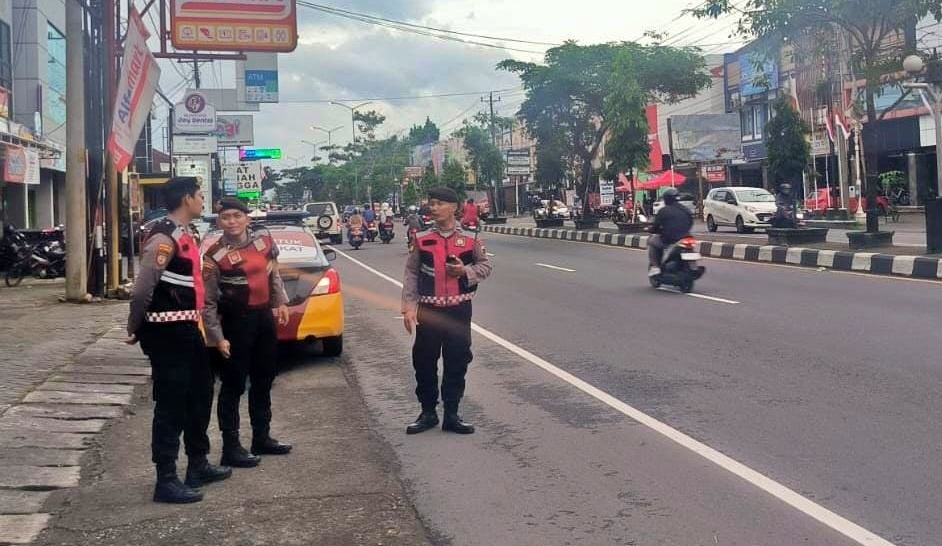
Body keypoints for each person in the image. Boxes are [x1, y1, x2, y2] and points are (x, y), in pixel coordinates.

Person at [126, 177, 231, 504]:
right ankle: (166, 479)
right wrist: (134, 326)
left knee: (200, 394)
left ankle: (197, 464)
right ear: (187, 199)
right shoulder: (163, 238)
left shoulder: (187, 235)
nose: (203, 201)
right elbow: (143, 288)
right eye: (200, 196)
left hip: (189, 329)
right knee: (171, 404)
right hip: (166, 332)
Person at [202, 197, 292, 469]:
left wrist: (281, 302)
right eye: (226, 217)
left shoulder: (263, 241)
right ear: (219, 222)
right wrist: (217, 337)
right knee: (233, 385)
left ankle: (261, 437)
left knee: (264, 378)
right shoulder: (214, 255)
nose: (231, 221)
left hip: (264, 317)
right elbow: (208, 302)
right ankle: (231, 447)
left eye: (236, 216)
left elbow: (272, 275)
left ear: (247, 219)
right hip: (236, 322)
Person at [401, 187, 493, 436]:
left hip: (459, 310)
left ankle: (452, 414)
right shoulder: (421, 238)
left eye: (439, 203)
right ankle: (428, 412)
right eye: (431, 203)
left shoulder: (471, 238)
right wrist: (408, 308)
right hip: (428, 310)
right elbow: (411, 273)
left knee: (457, 360)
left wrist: (465, 272)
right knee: (424, 361)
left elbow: (485, 266)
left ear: (454, 207)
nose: (433, 207)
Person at [647, 188, 693, 277]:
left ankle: (656, 266)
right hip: (686, 237)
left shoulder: (663, 211)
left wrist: (652, 230)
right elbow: (690, 223)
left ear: (666, 199)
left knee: (652, 241)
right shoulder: (686, 210)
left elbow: (655, 226)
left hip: (670, 240)